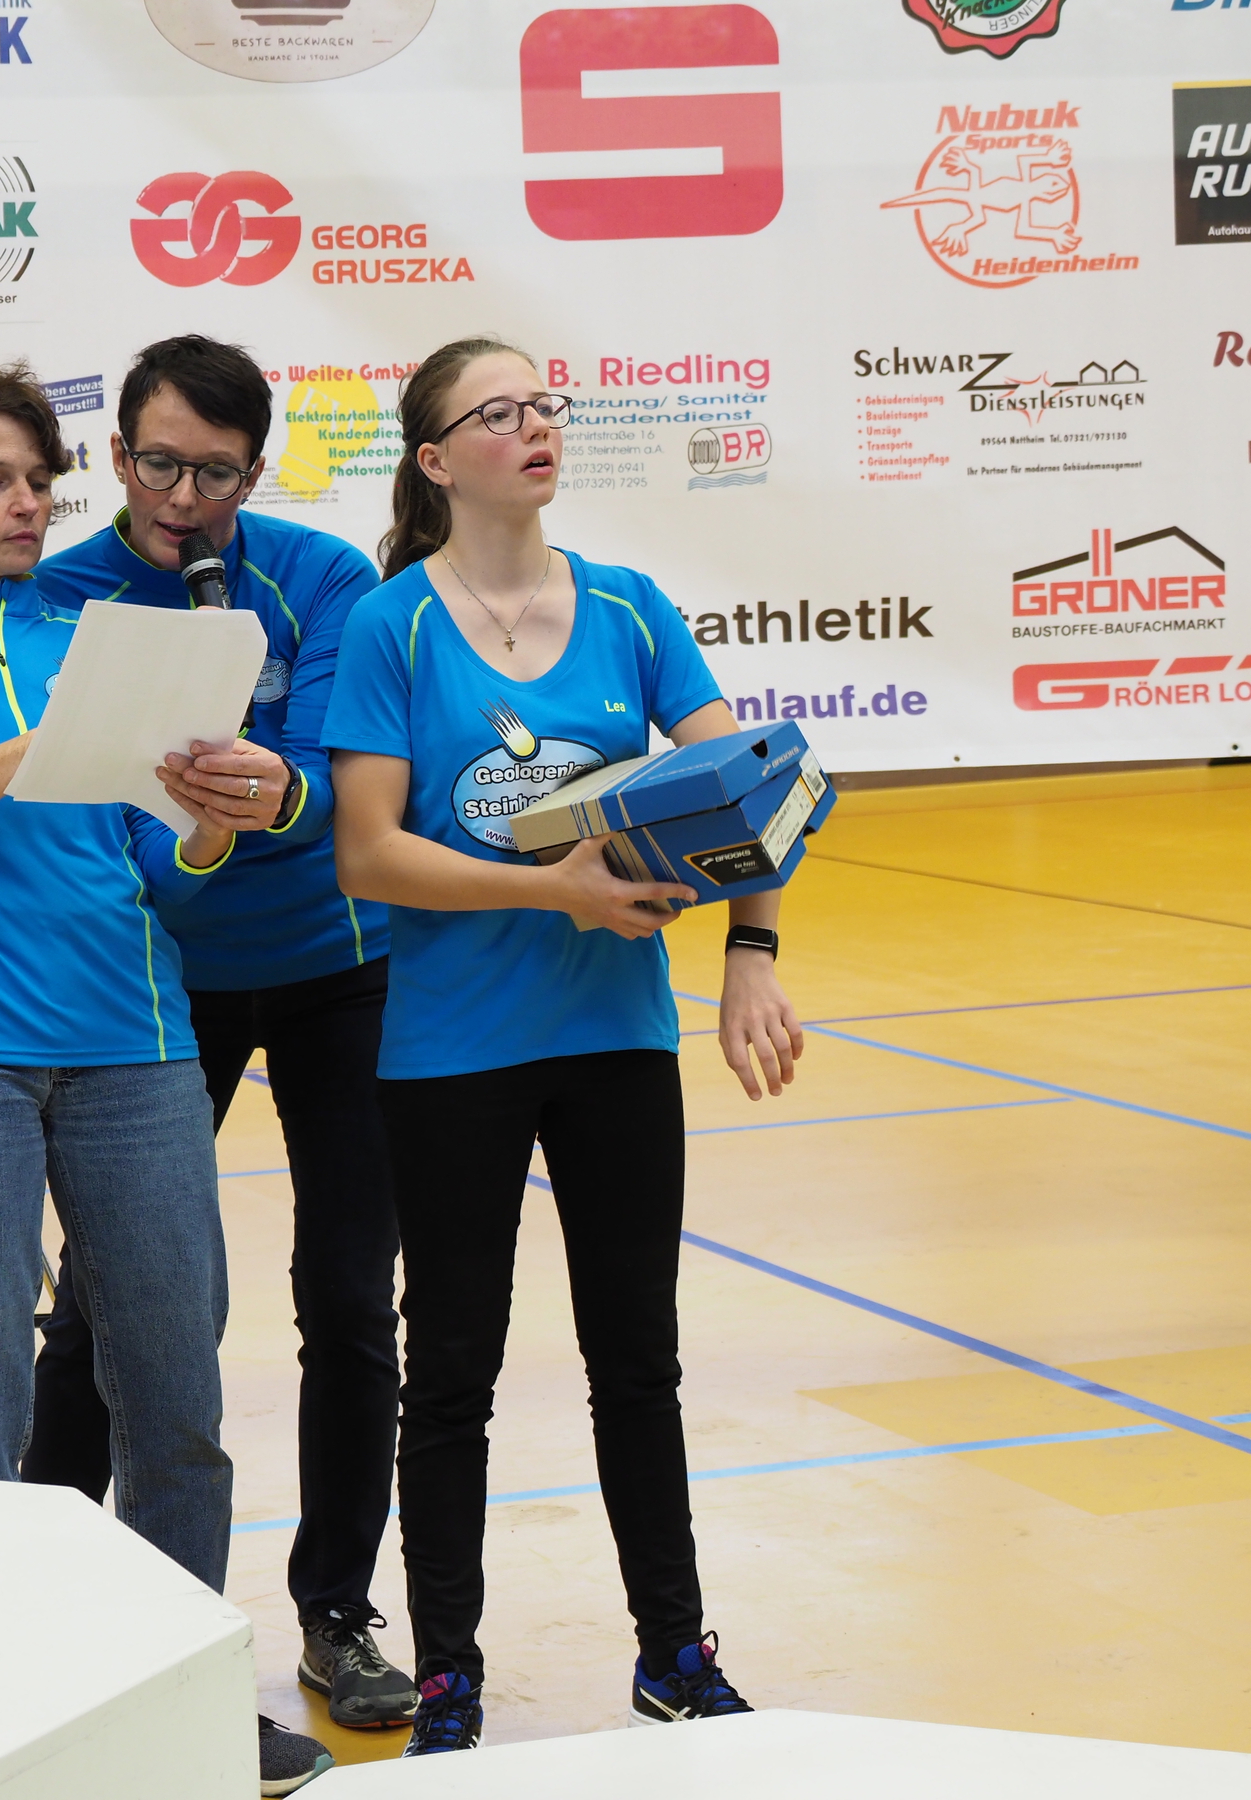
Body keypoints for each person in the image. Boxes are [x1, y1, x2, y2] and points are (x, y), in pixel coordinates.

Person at [0, 359, 334, 1798]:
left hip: (139, 1056)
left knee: (176, 1403)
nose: (29, 503)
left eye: (40, 481)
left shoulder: (106, 642)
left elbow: (160, 857)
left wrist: (212, 828)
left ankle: (182, 1695)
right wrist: (11, 759)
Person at [323, 336, 807, 1754]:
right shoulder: (394, 628)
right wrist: (560, 892)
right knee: (451, 1376)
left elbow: (751, 786)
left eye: (545, 403)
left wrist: (751, 956)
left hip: (616, 1044)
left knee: (637, 1362)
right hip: (452, 1055)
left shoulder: (631, 607)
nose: (536, 424)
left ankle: (675, 1653)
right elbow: (369, 854)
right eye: (500, 411)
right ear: (436, 460)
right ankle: (448, 1675)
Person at [28, 336, 416, 1731]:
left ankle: (337, 1613)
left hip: (337, 972)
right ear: (114, 454)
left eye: (218, 474)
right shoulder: (56, 596)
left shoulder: (322, 579)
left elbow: (343, 774)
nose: (183, 500)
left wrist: (282, 797)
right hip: (151, 989)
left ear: (258, 469)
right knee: (104, 1301)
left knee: (350, 1301)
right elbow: (68, 802)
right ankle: (36, 1590)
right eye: (158, 465)